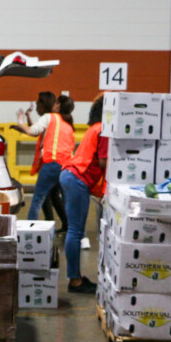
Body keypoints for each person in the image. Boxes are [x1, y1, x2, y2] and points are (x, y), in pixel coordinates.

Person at [58, 94, 108, 295]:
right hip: (77, 179)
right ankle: (75, 281)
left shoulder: (94, 127)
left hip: (70, 175)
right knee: (76, 231)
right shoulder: (104, 129)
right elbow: (104, 163)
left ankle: (75, 276)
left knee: (75, 231)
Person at [15, 92, 74, 227]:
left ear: (58, 105)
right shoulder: (67, 124)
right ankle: (76, 231)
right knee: (63, 199)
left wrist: (20, 121)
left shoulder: (50, 117)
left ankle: (29, 231)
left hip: (52, 163)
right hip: (66, 167)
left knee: (38, 199)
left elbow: (32, 131)